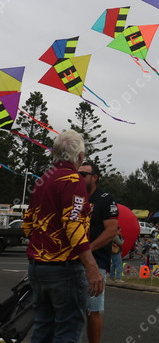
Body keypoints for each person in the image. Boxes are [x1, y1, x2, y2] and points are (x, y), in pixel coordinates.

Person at [23, 130, 104, 343]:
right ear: (79, 156)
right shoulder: (74, 180)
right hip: (64, 268)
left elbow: (27, 224)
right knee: (67, 331)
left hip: (37, 267)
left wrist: (43, 245)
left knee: (42, 329)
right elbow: (73, 225)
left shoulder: (42, 180)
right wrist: (92, 267)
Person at [79, 160, 119, 343]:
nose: (78, 177)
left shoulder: (105, 198)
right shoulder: (74, 196)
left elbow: (111, 231)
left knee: (92, 310)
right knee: (68, 309)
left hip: (96, 262)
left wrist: (87, 250)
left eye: (83, 174)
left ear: (94, 177)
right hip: (70, 261)